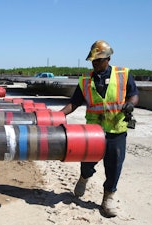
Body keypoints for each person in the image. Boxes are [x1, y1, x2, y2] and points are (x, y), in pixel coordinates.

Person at [59, 40, 139, 217]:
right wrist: (59, 115)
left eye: (98, 60)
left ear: (108, 58)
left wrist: (130, 105)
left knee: (114, 165)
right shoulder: (86, 80)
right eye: (93, 61)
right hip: (93, 131)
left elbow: (133, 96)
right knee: (87, 161)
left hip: (116, 130)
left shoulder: (123, 75)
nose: (94, 64)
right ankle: (84, 177)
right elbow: (75, 102)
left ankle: (108, 197)